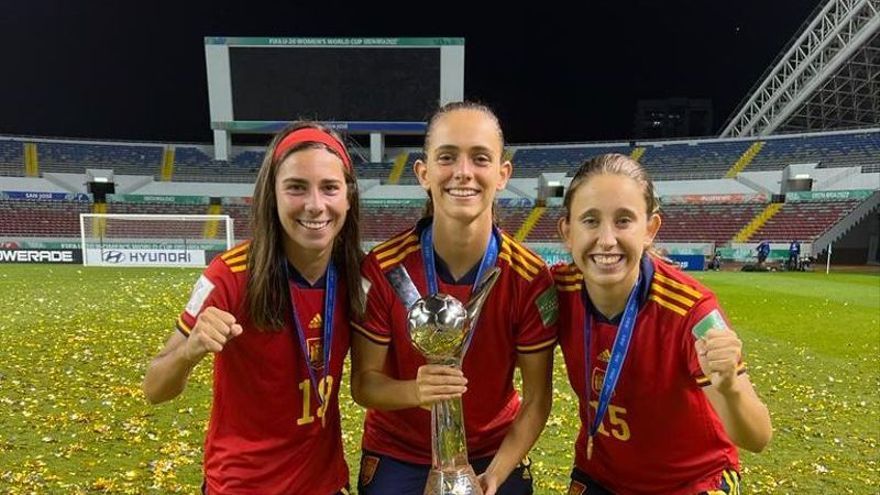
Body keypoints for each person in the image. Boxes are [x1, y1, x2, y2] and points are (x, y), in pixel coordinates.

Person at [142, 123, 362, 495]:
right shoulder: (227, 276)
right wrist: (190, 350)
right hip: (243, 486)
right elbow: (154, 388)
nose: (315, 204)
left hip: (325, 485)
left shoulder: (358, 277)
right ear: (270, 195)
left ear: (348, 196)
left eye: (329, 187)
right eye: (296, 187)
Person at [350, 101, 557, 495]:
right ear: (423, 173)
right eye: (447, 157)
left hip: (493, 450)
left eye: (480, 158)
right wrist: (415, 391)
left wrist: (494, 476)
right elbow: (364, 385)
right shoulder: (382, 269)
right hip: (400, 451)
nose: (463, 172)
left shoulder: (530, 278)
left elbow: (537, 400)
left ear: (502, 174)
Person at [554, 154, 772, 494]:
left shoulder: (692, 311)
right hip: (601, 476)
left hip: (690, 481)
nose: (607, 239)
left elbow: (758, 438)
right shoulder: (558, 289)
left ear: (650, 229)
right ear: (567, 231)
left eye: (624, 220)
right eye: (590, 221)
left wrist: (728, 385)